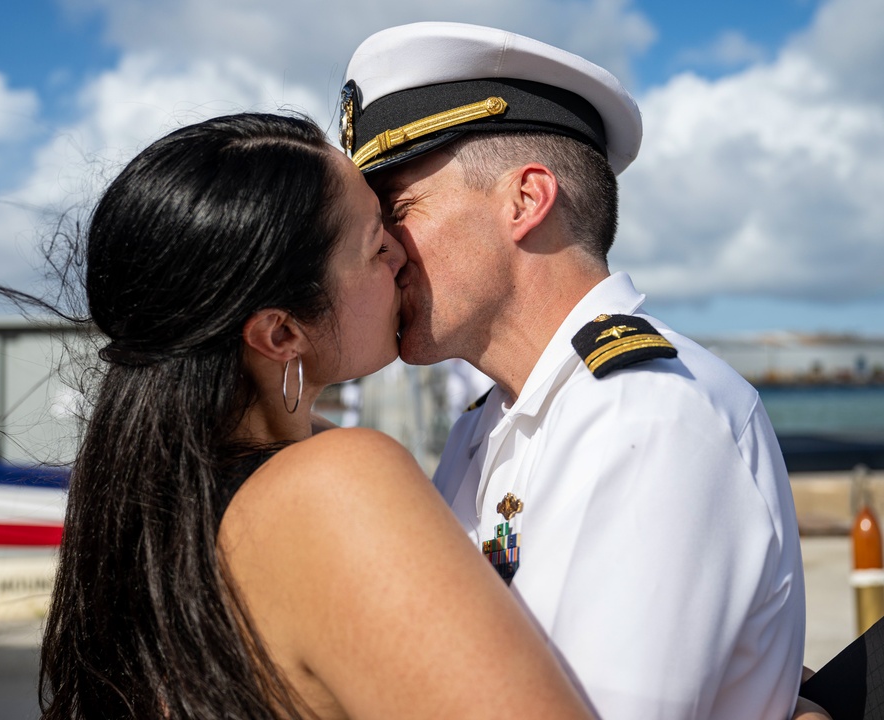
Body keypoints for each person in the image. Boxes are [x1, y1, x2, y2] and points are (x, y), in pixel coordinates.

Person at [28, 113, 595, 719]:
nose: (403, 255)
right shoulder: (334, 484)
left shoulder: (157, 495)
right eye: (377, 244)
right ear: (281, 332)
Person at [341, 22, 806, 720]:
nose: (383, 249)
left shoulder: (645, 415)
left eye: (399, 210)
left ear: (526, 201)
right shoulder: (492, 424)